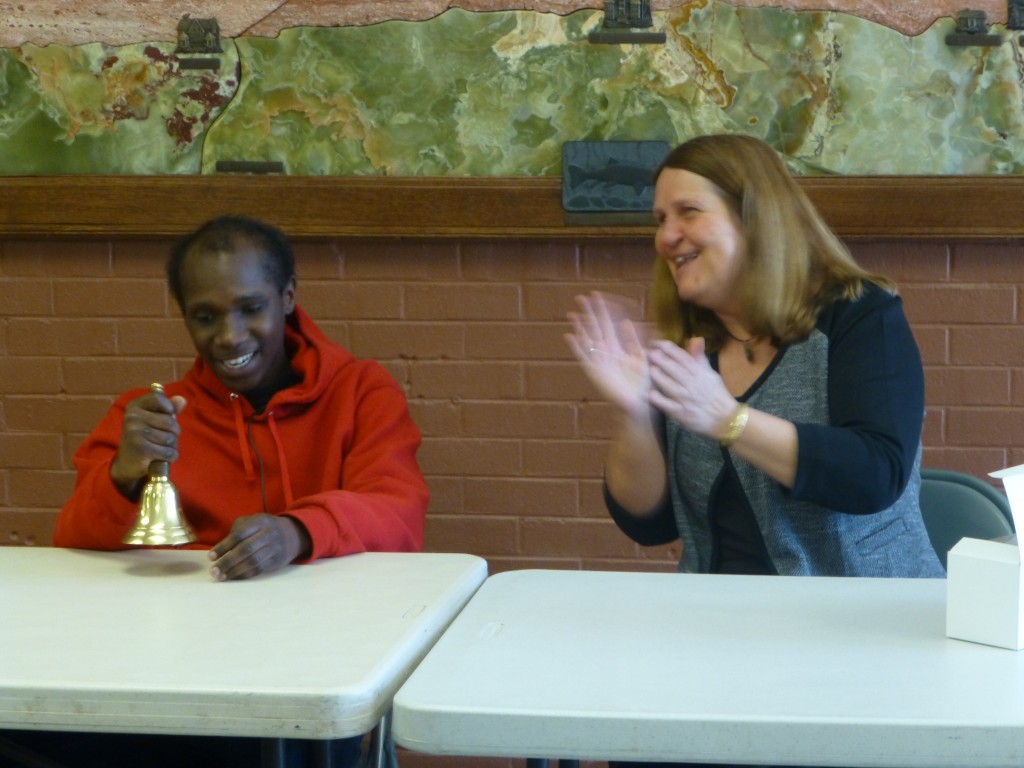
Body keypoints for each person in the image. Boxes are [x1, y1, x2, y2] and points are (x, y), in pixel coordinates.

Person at [565, 133, 943, 767]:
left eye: (689, 212)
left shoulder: (858, 316)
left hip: (866, 646)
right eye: (660, 220)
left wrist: (728, 418)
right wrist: (635, 414)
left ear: (754, 216)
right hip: (719, 642)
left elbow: (876, 473)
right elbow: (648, 520)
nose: (667, 237)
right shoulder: (693, 349)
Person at [14, 215, 429, 768]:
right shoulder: (149, 414)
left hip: (312, 676)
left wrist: (297, 531)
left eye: (250, 308)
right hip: (169, 679)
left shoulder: (361, 393)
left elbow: (398, 511)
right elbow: (73, 540)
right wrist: (124, 473)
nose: (229, 335)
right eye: (204, 316)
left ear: (287, 297)